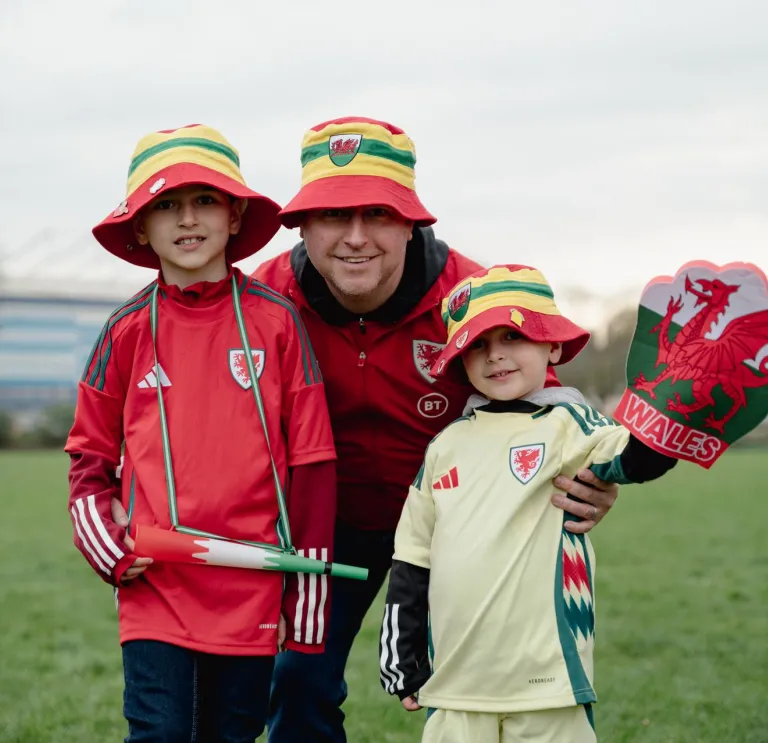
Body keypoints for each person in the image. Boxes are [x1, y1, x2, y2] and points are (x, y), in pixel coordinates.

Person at [109, 116, 621, 742]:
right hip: (322, 531)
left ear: (411, 220)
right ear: (300, 224)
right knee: (296, 683)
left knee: (480, 695)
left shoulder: (473, 298)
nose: (355, 238)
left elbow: (553, 395)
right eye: (332, 215)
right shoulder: (261, 304)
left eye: (378, 213)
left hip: (456, 527)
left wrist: (596, 476)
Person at [65, 124, 337, 742]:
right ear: (140, 226)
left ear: (235, 213)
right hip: (156, 586)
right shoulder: (124, 331)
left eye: (205, 200)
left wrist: (308, 589)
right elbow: (88, 455)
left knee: (232, 735)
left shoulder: (278, 324)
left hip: (251, 586)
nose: (187, 220)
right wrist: (104, 543)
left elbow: (314, 461)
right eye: (166, 205)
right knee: (158, 734)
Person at [379, 264, 677, 743]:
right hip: (456, 685)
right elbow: (412, 557)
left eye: (513, 337)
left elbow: (636, 458)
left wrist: (680, 403)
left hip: (548, 684)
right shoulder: (445, 446)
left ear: (552, 345)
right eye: (477, 343)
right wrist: (400, 651)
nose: (495, 356)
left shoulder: (570, 424)